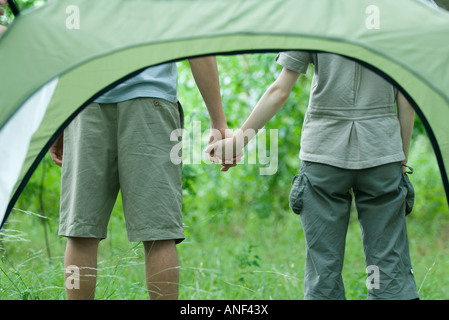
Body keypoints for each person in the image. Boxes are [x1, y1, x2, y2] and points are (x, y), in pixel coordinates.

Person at [205, 51, 418, 300]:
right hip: (381, 151)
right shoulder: (395, 19)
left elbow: (280, 91)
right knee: (387, 268)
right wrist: (400, 159)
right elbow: (408, 100)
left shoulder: (315, 16)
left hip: (323, 153)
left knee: (323, 271)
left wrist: (238, 142)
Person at [48, 57, 229, 300]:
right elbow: (199, 47)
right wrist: (218, 121)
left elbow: (64, 41)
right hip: (150, 100)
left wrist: (59, 118)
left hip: (86, 102)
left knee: (81, 230)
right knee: (159, 234)